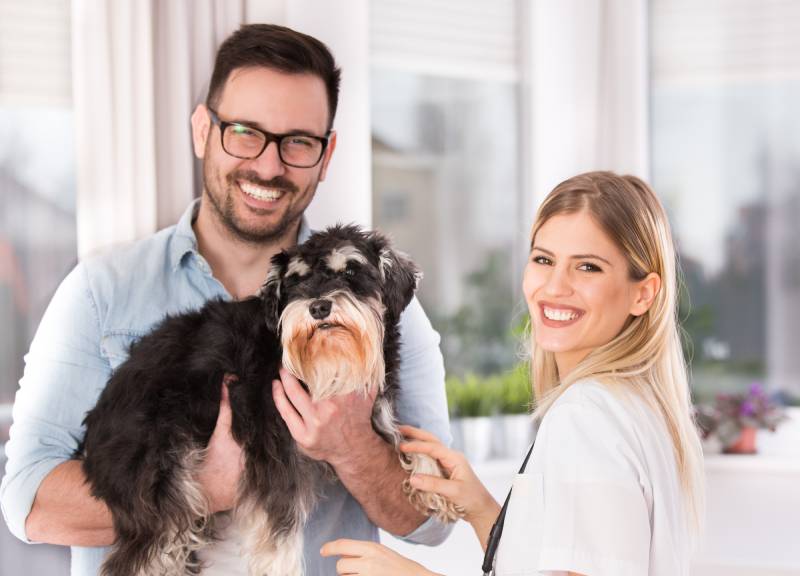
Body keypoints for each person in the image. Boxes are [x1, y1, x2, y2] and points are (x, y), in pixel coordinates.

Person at [0, 24, 452, 575]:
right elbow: (28, 500)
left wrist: (353, 445)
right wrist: (202, 486)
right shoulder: (101, 292)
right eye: (244, 132)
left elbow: (432, 521)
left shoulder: (381, 308)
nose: (268, 166)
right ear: (201, 131)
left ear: (326, 154)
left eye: (298, 142)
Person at [321, 171, 706, 575]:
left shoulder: (586, 419)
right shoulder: (635, 406)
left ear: (642, 293)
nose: (554, 287)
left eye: (588, 267)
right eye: (543, 259)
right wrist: (482, 509)